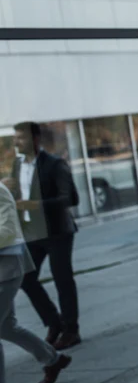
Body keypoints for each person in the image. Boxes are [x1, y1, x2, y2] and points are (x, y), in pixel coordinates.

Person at [9, 122, 82, 350]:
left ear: (36, 139)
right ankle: (54, 322)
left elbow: (71, 199)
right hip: (33, 233)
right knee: (24, 278)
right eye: (16, 137)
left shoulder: (55, 164)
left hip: (58, 231)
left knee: (63, 280)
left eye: (20, 138)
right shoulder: (18, 164)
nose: (16, 142)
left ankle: (71, 330)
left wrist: (33, 205)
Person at [0, 179, 71, 383]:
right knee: (6, 327)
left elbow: (8, 231)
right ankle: (53, 360)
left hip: (7, 269)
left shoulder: (0, 192)